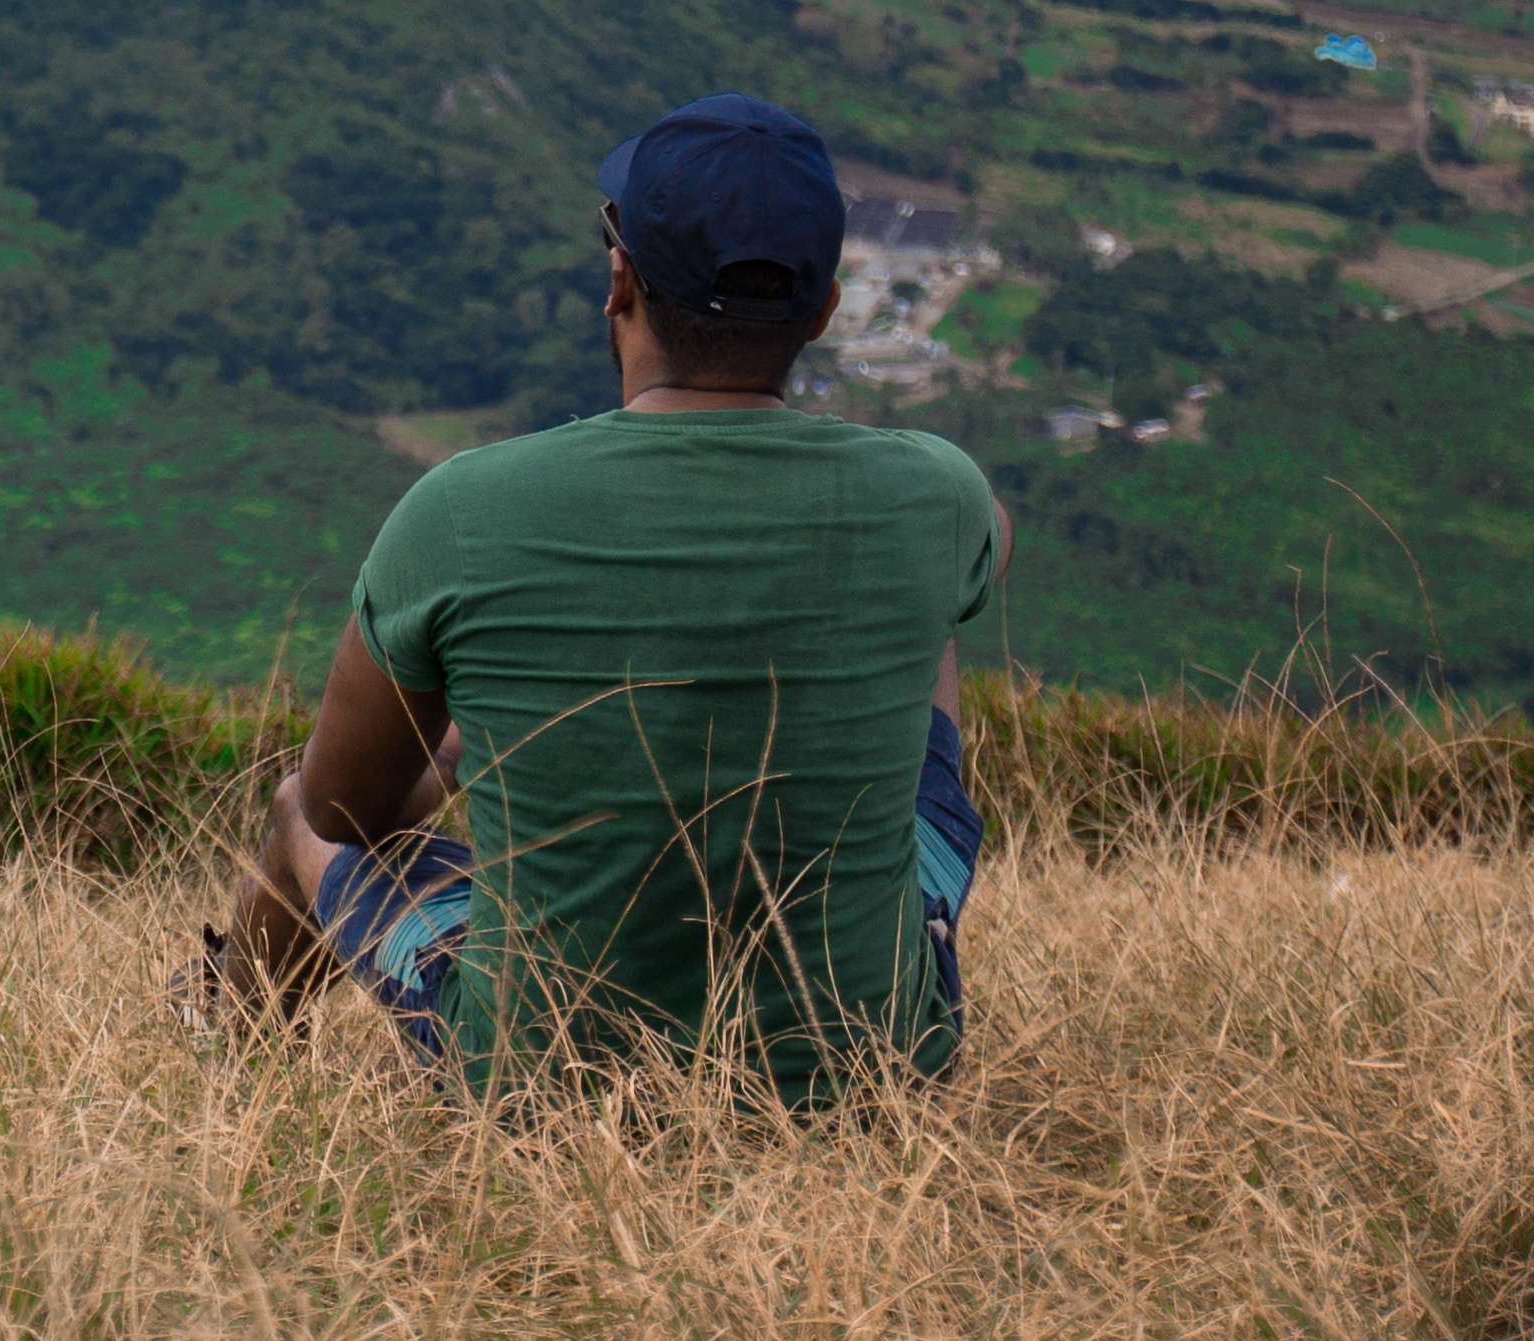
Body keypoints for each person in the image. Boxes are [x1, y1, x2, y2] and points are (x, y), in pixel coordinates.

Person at [189, 93, 1011, 1104]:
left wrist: (464, 753)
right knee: (929, 605)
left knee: (294, 816)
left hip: (546, 1083)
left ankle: (226, 1053)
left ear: (618, 280)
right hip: (871, 1070)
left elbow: (343, 808)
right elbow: (984, 553)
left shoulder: (464, 509)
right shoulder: (935, 490)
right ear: (826, 309)